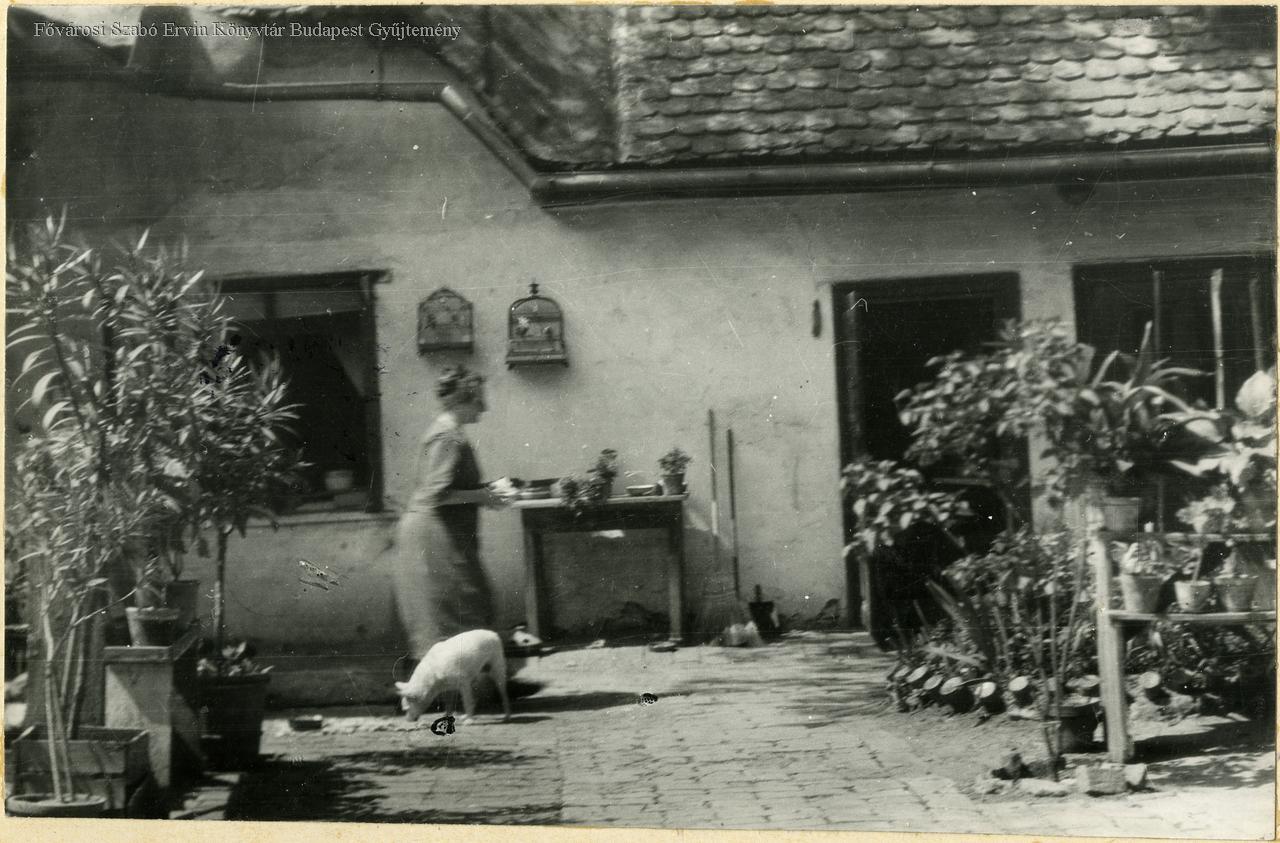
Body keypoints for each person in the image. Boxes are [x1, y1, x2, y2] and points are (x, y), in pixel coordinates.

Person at [392, 366, 511, 657]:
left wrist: (485, 492)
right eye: (479, 400)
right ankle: (458, 679)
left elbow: (452, 487)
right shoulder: (447, 436)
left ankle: (468, 677)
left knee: (466, 606)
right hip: (434, 536)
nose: (484, 408)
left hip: (444, 532)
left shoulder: (451, 433)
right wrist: (483, 495)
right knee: (457, 610)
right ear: (461, 401)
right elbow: (437, 493)